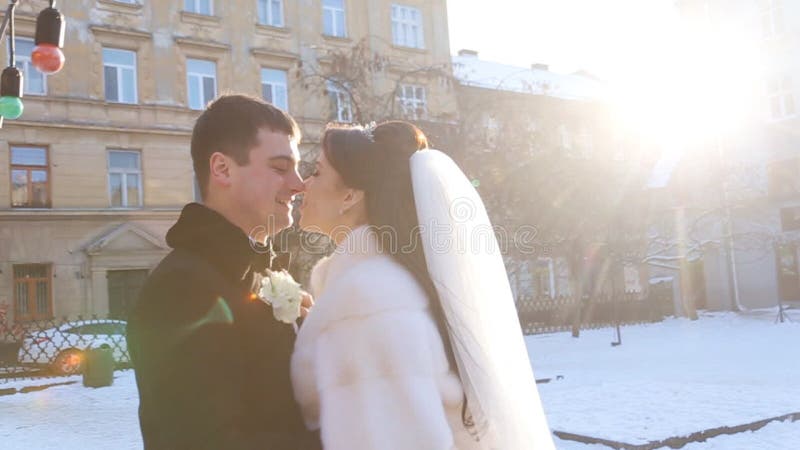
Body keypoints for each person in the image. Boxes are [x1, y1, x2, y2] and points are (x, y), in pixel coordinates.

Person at [291, 121, 555, 449]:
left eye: (316, 172)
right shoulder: (376, 287)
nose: (303, 185)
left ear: (349, 195)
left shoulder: (368, 297)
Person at [127, 94, 318, 450]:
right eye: (280, 168)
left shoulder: (252, 271)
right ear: (222, 169)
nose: (299, 184)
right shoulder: (184, 286)